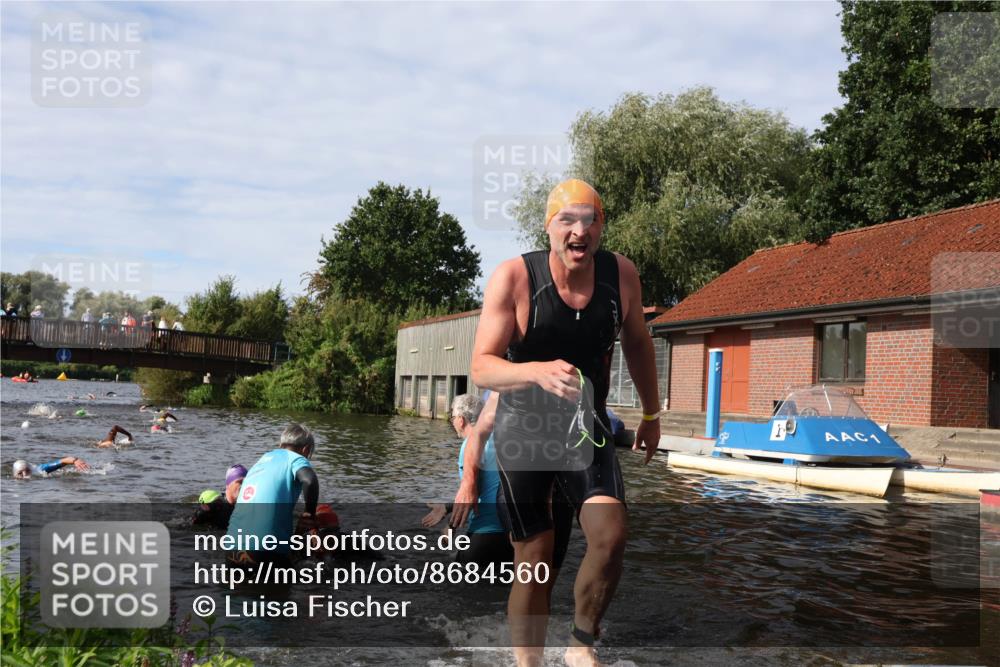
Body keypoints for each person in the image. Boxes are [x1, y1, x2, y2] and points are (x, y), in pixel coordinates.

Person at [454, 179, 661, 667]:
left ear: (601, 227)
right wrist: (535, 371)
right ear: (549, 227)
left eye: (590, 220)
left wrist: (652, 413)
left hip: (585, 428)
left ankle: (579, 646)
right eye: (567, 220)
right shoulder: (514, 277)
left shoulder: (621, 275)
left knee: (610, 536)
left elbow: (637, 341)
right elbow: (481, 367)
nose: (579, 231)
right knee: (535, 559)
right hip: (523, 431)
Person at [422, 393, 513, 568]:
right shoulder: (501, 441)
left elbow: (472, 493)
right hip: (511, 536)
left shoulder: (470, 445)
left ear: (461, 420)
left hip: (485, 533)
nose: (452, 421)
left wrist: (450, 528)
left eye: (453, 417)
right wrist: (447, 507)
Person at [225, 423, 319, 567]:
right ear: (305, 450)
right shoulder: (296, 458)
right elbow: (310, 480)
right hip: (266, 550)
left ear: (281, 444)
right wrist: (309, 515)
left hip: (232, 549)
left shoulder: (262, 460)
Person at [12, 456, 89, 479]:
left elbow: (63, 461)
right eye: (20, 473)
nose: (25, 474)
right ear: (15, 474)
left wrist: (75, 460)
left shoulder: (39, 470)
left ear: (30, 469)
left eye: (27, 470)